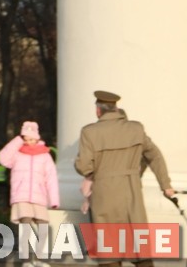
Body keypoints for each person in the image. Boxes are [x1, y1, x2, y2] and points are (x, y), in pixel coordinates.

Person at [74, 90, 174, 267]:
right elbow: (154, 156)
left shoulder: (89, 132)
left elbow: (84, 167)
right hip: (131, 191)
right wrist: (165, 185)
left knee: (108, 250)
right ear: (115, 108)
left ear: (98, 110)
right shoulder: (136, 128)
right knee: (139, 245)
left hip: (104, 194)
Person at [0, 121, 58, 267]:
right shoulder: (17, 153)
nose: (29, 142)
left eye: (31, 139)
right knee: (25, 228)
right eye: (26, 139)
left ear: (37, 138)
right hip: (21, 196)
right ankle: (26, 261)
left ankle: (39, 259)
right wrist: (18, 140)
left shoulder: (45, 155)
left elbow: (51, 178)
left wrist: (54, 200)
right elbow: (3, 158)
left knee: (43, 226)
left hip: (39, 196)